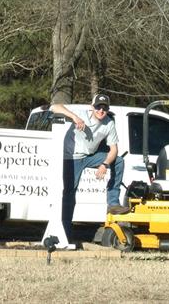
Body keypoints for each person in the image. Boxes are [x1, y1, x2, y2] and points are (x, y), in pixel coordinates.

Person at [50, 94, 129, 240]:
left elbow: (114, 150)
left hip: (90, 156)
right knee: (69, 193)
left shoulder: (109, 123)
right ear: (92, 107)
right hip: (71, 157)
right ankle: (65, 233)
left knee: (118, 161)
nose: (101, 110)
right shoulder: (81, 114)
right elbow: (54, 107)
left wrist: (104, 164)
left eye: (104, 108)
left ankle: (113, 203)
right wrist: (74, 117)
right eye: (98, 107)